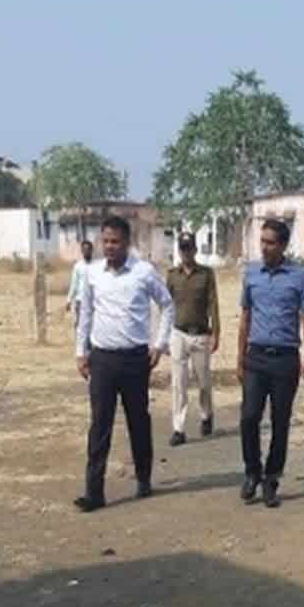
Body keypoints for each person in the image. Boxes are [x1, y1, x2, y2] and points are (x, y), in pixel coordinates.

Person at [73, 216, 175, 512]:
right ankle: (94, 492)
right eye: (105, 241)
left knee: (138, 422)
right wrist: (81, 352)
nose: (109, 247)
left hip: (134, 360)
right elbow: (86, 314)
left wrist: (160, 345)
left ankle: (143, 478)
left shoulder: (143, 272)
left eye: (115, 242)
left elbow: (167, 305)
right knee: (99, 426)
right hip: (102, 359)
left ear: (127, 243)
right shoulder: (93, 273)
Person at [237, 219, 304, 508]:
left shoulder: (299, 276)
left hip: (285, 360)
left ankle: (271, 479)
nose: (265, 247)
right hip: (256, 357)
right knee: (248, 418)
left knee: (280, 422)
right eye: (263, 241)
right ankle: (252, 471)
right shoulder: (252, 274)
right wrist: (239, 358)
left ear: (283, 245)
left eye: (270, 243)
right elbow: (245, 317)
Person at [165, 232, 219, 447]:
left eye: (189, 248)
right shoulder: (172, 276)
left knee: (203, 382)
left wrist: (216, 333)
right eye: (183, 248)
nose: (186, 252)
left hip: (200, 335)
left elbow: (213, 304)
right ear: (180, 251)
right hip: (179, 333)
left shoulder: (206, 274)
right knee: (179, 384)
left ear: (195, 250)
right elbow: (166, 305)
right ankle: (178, 429)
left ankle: (206, 415)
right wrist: (163, 337)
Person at [65, 240, 93, 332]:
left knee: (91, 325)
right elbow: (74, 284)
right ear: (81, 251)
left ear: (91, 250)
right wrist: (69, 300)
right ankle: (78, 340)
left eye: (88, 249)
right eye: (84, 250)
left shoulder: (97, 266)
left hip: (93, 300)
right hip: (80, 300)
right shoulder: (78, 266)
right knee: (79, 324)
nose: (86, 251)